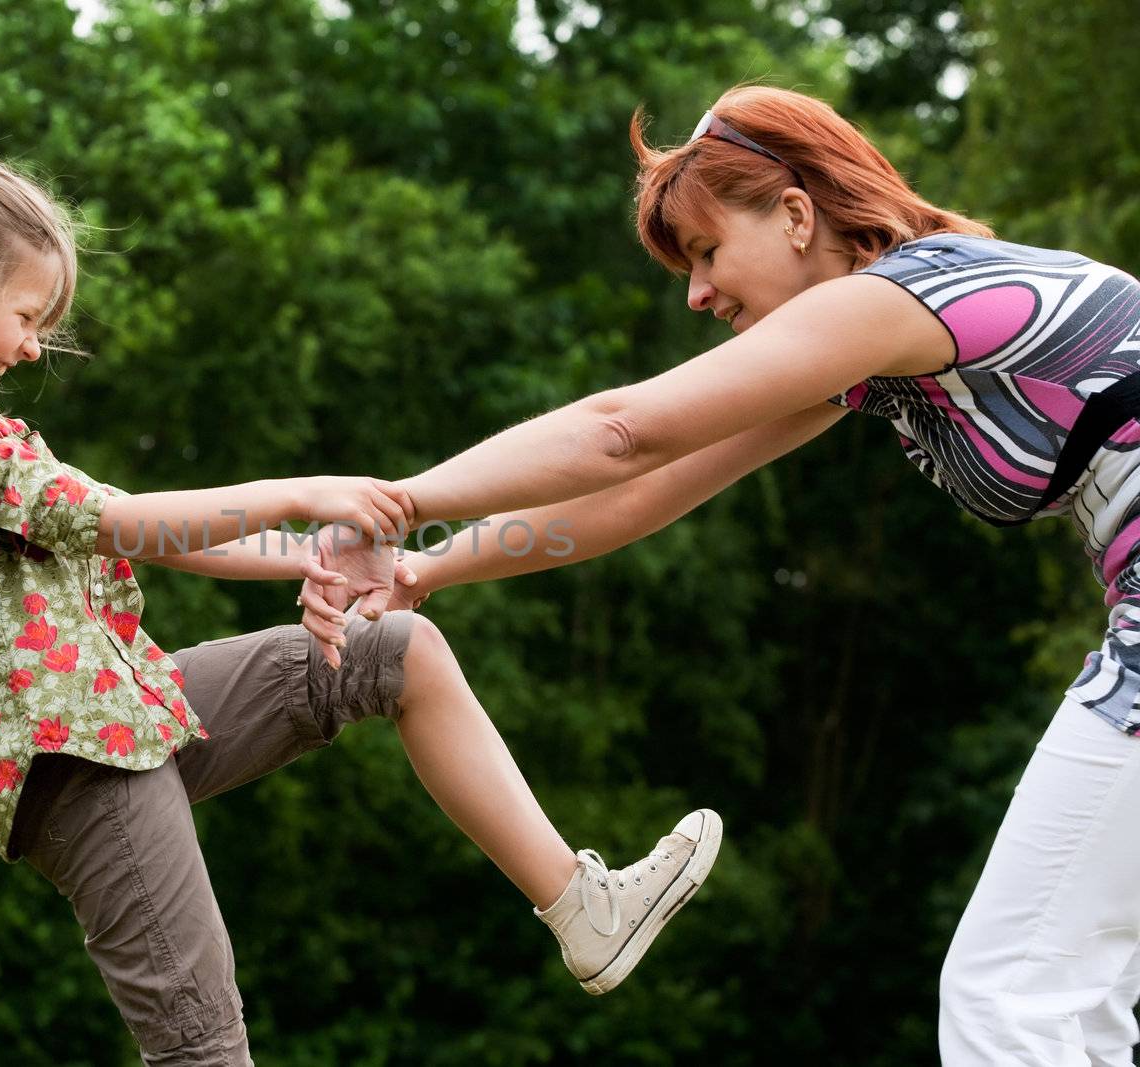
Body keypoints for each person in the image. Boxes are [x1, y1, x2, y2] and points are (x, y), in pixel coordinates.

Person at [0, 97, 721, 1065]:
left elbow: (123, 519)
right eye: (26, 315)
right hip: (73, 764)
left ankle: (581, 906)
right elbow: (124, 521)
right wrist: (301, 489)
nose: (32, 345)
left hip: (129, 708)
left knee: (395, 653)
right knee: (203, 1043)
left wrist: (309, 555)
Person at [302, 83, 1140, 1066]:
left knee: (1014, 997)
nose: (695, 293)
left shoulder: (913, 294)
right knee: (1057, 994)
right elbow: (637, 491)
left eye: (704, 250)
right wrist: (425, 569)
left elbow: (620, 431)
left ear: (794, 215)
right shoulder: (881, 349)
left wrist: (389, 500)